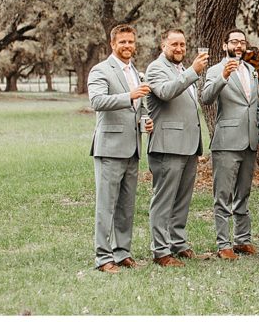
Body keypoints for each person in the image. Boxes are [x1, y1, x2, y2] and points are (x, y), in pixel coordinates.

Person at [87, 23, 152, 272]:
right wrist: (130, 96)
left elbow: (141, 106)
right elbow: (97, 101)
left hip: (133, 147)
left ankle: (122, 251)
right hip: (109, 147)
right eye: (122, 42)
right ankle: (103, 258)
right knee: (106, 205)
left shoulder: (136, 72)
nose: (127, 46)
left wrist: (145, 119)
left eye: (131, 42)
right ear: (112, 44)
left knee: (126, 205)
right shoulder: (100, 70)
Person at [144, 28, 209, 267]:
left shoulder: (182, 70)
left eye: (182, 44)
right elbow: (166, 92)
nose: (180, 49)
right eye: (174, 45)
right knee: (164, 200)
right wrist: (194, 71)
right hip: (167, 145)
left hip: (189, 145)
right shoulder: (156, 69)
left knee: (182, 199)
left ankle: (178, 243)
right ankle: (161, 251)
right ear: (163, 46)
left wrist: (189, 71)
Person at [201, 28, 259, 259]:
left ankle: (242, 239)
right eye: (234, 42)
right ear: (224, 45)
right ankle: (224, 244)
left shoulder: (251, 70)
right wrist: (224, 77)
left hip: (250, 141)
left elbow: (256, 106)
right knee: (223, 194)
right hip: (227, 142)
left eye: (242, 42)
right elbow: (206, 97)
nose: (238, 46)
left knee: (244, 192)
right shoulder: (215, 70)